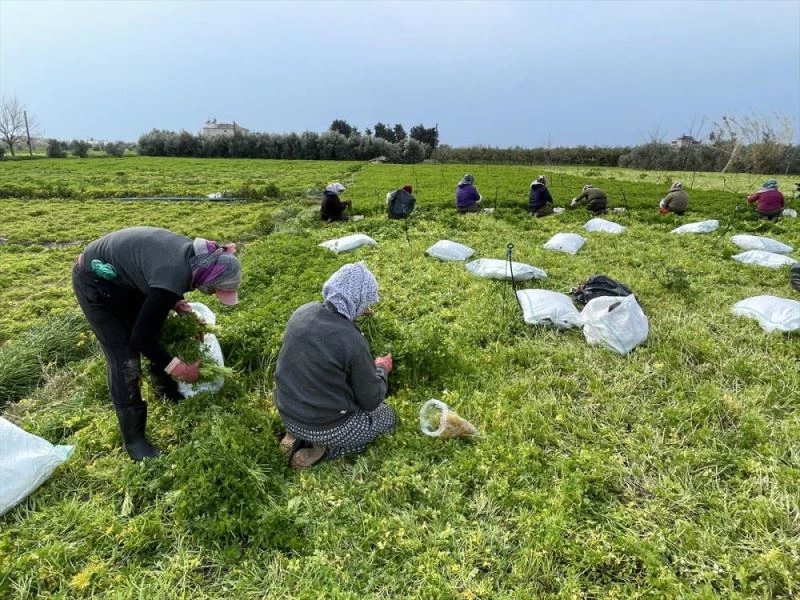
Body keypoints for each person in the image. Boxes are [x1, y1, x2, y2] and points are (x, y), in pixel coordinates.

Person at [72, 226, 242, 461]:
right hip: (96, 282)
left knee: (155, 329)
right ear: (209, 277)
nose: (213, 293)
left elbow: (155, 273)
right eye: (214, 289)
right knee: (125, 358)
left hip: (125, 281)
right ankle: (134, 441)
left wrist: (175, 302)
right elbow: (141, 338)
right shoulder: (174, 273)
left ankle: (165, 391)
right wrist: (179, 369)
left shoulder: (196, 258)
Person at [273, 262, 396, 469]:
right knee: (387, 417)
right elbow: (370, 400)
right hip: (324, 426)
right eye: (365, 303)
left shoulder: (303, 312)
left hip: (287, 410)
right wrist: (382, 369)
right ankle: (323, 451)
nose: (367, 309)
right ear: (357, 300)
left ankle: (293, 436)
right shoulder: (351, 340)